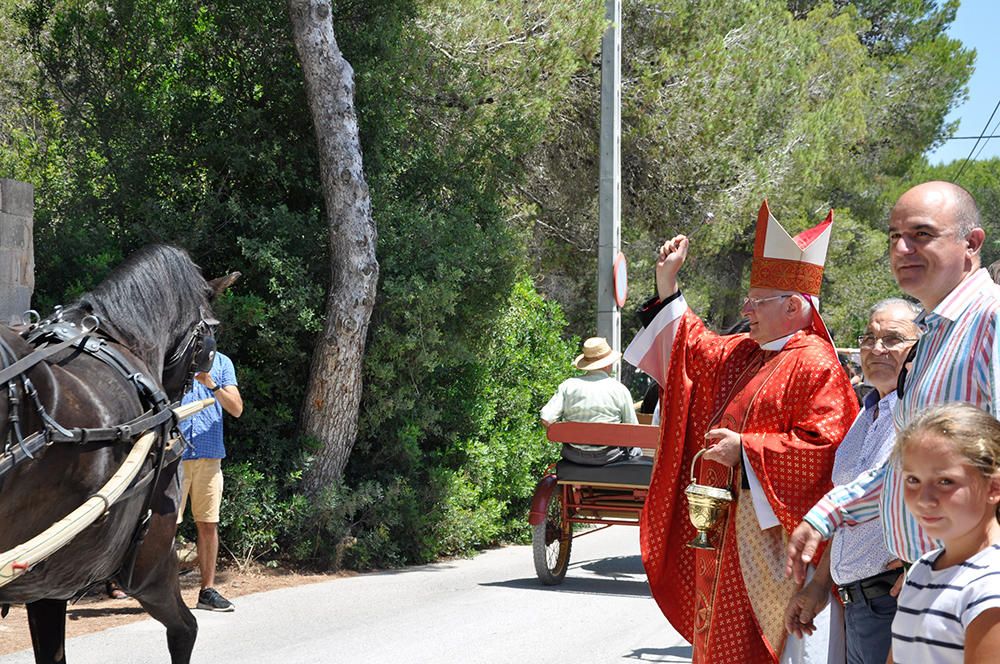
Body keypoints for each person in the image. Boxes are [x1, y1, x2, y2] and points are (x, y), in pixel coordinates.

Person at [624, 200, 858, 663]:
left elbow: (826, 446)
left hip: (770, 546)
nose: (746, 309)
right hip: (724, 536)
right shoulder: (749, 352)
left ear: (793, 305)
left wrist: (746, 450)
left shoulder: (816, 364)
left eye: (757, 300)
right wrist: (667, 283)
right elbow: (691, 348)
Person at [786, 181, 1000, 580]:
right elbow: (905, 469)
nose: (902, 250)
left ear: (971, 243)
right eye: (894, 237)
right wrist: (826, 516)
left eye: (921, 234)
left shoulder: (991, 320)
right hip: (932, 576)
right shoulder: (935, 333)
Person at [784, 298, 921, 664]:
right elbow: (849, 518)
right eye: (869, 337)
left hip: (892, 603)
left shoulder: (920, 415)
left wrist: (921, 563)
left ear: (920, 347)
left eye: (893, 338)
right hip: (855, 605)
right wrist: (816, 586)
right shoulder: (867, 413)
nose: (877, 348)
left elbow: (902, 487)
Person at [889, 403, 1000, 663]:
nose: (925, 499)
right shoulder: (919, 570)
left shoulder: (991, 586)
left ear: (993, 487)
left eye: (945, 481)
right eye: (913, 480)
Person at [178, 350, 244, 612]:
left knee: (208, 524)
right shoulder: (174, 357)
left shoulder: (223, 362)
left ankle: (207, 591)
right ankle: (162, 593)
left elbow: (236, 409)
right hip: (174, 455)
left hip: (210, 456)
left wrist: (211, 383)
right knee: (164, 526)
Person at [540, 336, 639, 464]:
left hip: (573, 456)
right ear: (608, 363)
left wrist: (572, 436)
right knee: (636, 451)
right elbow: (633, 429)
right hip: (609, 457)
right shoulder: (619, 389)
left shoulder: (568, 385)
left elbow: (546, 418)